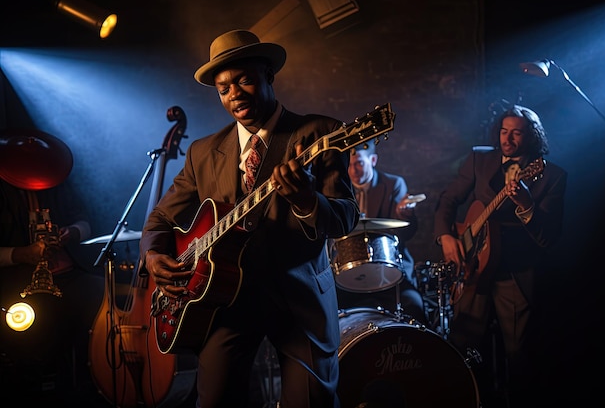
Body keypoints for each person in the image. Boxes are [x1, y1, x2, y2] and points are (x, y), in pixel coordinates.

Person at [139, 29, 360, 408]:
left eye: (244, 80)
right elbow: (160, 217)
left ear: (268, 76)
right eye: (224, 89)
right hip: (224, 299)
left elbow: (345, 218)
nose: (234, 94)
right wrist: (153, 254)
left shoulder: (318, 133)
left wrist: (308, 201)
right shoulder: (203, 153)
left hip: (299, 297)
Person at [433, 104, 567, 408]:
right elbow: (448, 200)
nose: (507, 139)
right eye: (504, 131)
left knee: (520, 355)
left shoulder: (551, 176)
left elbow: (550, 238)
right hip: (473, 268)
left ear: (532, 136)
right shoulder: (480, 159)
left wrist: (526, 206)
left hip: (515, 273)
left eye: (516, 133)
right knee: (462, 346)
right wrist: (445, 237)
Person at [0, 130, 103, 406]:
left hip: (68, 275)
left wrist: (72, 232)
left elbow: (85, 220)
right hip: (21, 284)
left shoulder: (56, 183)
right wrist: (21, 254)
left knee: (102, 296)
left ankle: (95, 382)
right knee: (34, 329)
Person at [333, 144, 427, 324]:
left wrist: (403, 215)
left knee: (414, 307)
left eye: (359, 163)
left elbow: (406, 233)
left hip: (390, 269)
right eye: (349, 164)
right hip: (349, 271)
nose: (353, 170)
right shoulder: (338, 189)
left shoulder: (393, 184)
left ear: (373, 160)